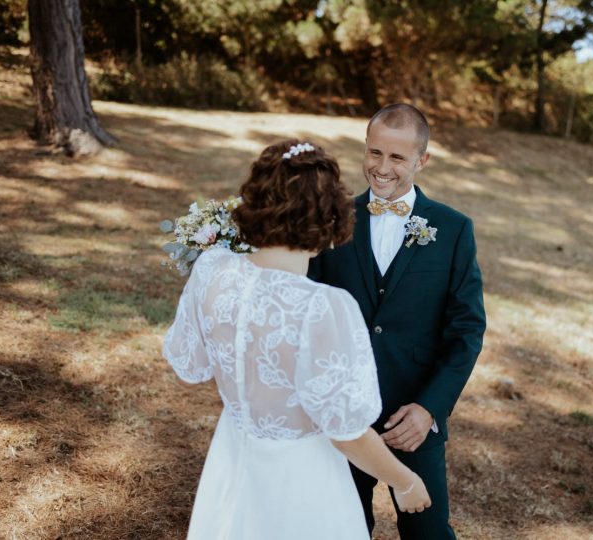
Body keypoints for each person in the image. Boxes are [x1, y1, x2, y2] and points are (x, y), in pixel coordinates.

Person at [162, 139, 431, 540]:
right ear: (330, 220)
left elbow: (191, 365)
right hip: (302, 477)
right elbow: (349, 433)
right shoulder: (323, 306)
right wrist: (405, 481)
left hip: (232, 456)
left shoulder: (213, 269)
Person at [308, 104, 486, 539]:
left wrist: (429, 409)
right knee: (342, 529)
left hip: (413, 418)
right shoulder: (334, 220)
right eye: (374, 153)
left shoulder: (453, 229)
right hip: (344, 417)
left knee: (429, 532)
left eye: (396, 158)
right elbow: (310, 313)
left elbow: (466, 331)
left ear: (421, 160)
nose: (381, 167)